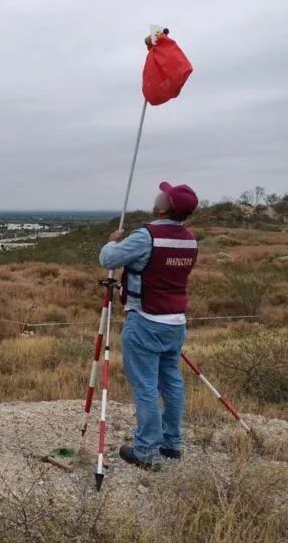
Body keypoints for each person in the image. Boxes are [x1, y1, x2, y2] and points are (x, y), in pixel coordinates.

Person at [99, 181, 199, 471]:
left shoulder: (147, 236)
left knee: (145, 386)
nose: (157, 196)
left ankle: (146, 451)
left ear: (165, 206)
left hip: (145, 321)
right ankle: (172, 443)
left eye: (162, 194)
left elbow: (108, 259)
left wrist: (113, 241)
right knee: (171, 382)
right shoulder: (190, 239)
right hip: (176, 322)